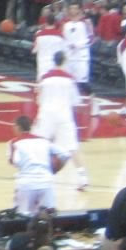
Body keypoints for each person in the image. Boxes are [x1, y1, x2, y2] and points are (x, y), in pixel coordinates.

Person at [35, 50, 88, 191]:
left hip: (46, 114)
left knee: (40, 146)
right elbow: (75, 102)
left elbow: (38, 99)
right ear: (64, 61)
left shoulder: (44, 78)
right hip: (64, 115)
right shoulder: (70, 79)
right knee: (72, 148)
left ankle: (38, 175)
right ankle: (83, 177)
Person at [33, 14, 66, 81]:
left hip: (42, 64)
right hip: (55, 65)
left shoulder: (39, 34)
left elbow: (34, 50)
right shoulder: (60, 35)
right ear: (55, 22)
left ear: (45, 22)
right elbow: (64, 52)